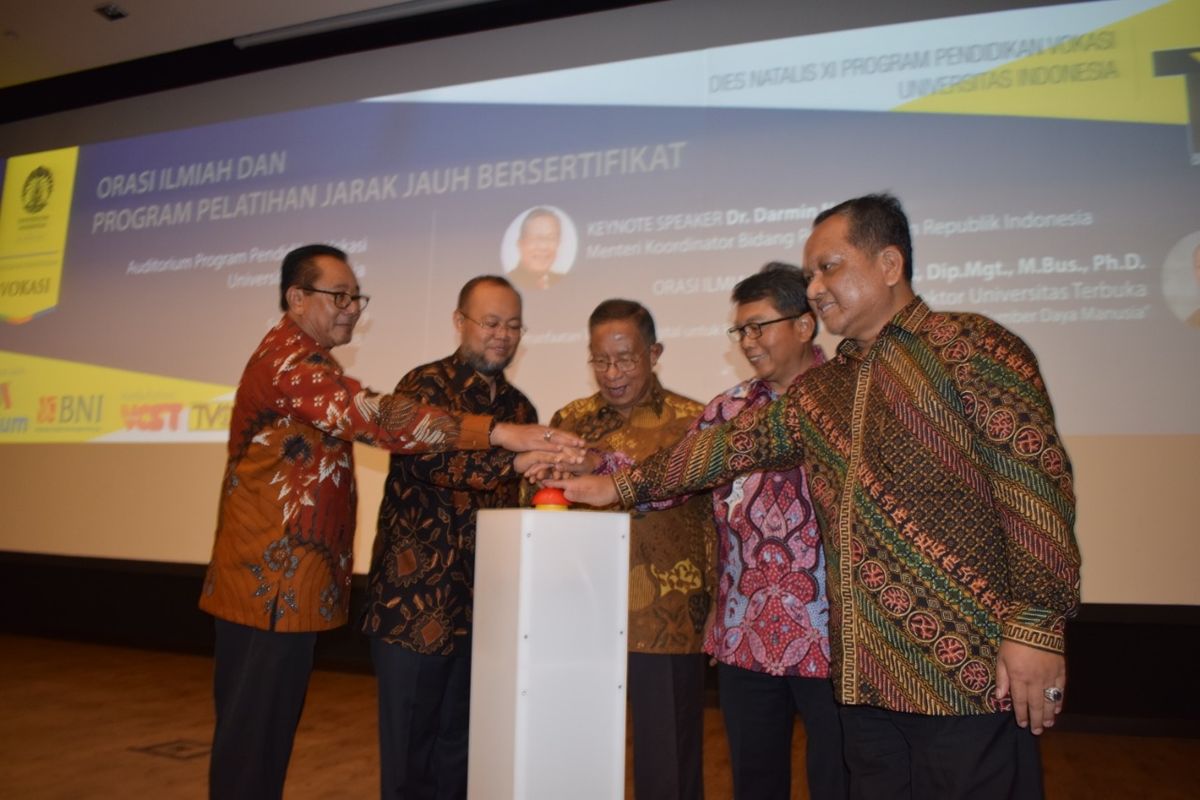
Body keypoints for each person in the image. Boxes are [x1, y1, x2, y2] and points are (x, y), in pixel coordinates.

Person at [550, 194, 1082, 800]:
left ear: (889, 263)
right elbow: (723, 450)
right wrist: (618, 483)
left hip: (965, 673)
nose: (816, 287)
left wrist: (1036, 626)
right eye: (810, 275)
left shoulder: (972, 347)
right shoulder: (820, 392)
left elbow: (1037, 489)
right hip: (863, 685)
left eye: (829, 267)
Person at [199, 245, 578, 800]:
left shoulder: (311, 362)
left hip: (289, 591)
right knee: (251, 746)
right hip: (266, 590)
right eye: (340, 296)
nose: (352, 308)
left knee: (265, 743)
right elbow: (376, 417)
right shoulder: (290, 363)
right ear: (296, 298)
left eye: (357, 297)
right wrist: (500, 435)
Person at [362, 275, 547, 799]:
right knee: (408, 763)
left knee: (464, 758)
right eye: (490, 322)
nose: (502, 335)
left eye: (513, 325)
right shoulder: (423, 388)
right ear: (459, 322)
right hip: (414, 609)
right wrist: (511, 459)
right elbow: (433, 462)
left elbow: (517, 501)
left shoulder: (520, 409)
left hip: (484, 612)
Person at [544, 299, 714, 800]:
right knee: (579, 757)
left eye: (626, 359)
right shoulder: (567, 421)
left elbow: (714, 522)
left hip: (668, 618)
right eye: (600, 360)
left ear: (654, 353)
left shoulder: (694, 421)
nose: (612, 373)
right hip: (585, 619)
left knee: (669, 765)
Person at [696, 263, 846, 799]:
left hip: (835, 635)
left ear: (805, 325)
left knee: (839, 781)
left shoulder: (851, 399)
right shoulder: (726, 411)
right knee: (754, 784)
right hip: (745, 635)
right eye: (741, 330)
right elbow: (671, 480)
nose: (749, 342)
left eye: (760, 326)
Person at [508, 207, 563, 291]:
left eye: (551, 238)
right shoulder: (506, 283)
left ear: (558, 243)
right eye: (534, 238)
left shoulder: (567, 282)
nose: (543, 246)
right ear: (520, 244)